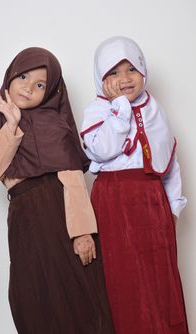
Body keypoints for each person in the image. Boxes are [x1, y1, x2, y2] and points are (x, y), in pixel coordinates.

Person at [0, 47, 115, 334]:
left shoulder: (56, 123)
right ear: (10, 77)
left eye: (40, 84)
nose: (28, 87)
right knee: (32, 297)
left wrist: (83, 233)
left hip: (61, 214)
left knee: (78, 294)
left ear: (51, 90)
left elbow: (74, 182)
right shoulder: (0, 122)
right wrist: (12, 124)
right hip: (24, 219)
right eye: (23, 77)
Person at [81, 36, 189, 333]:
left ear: (143, 70)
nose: (124, 79)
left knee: (158, 280)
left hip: (152, 203)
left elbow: (168, 163)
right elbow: (103, 150)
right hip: (114, 203)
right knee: (124, 279)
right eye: (113, 73)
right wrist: (119, 109)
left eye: (131, 69)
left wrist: (173, 208)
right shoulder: (98, 111)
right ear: (101, 78)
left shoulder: (156, 110)